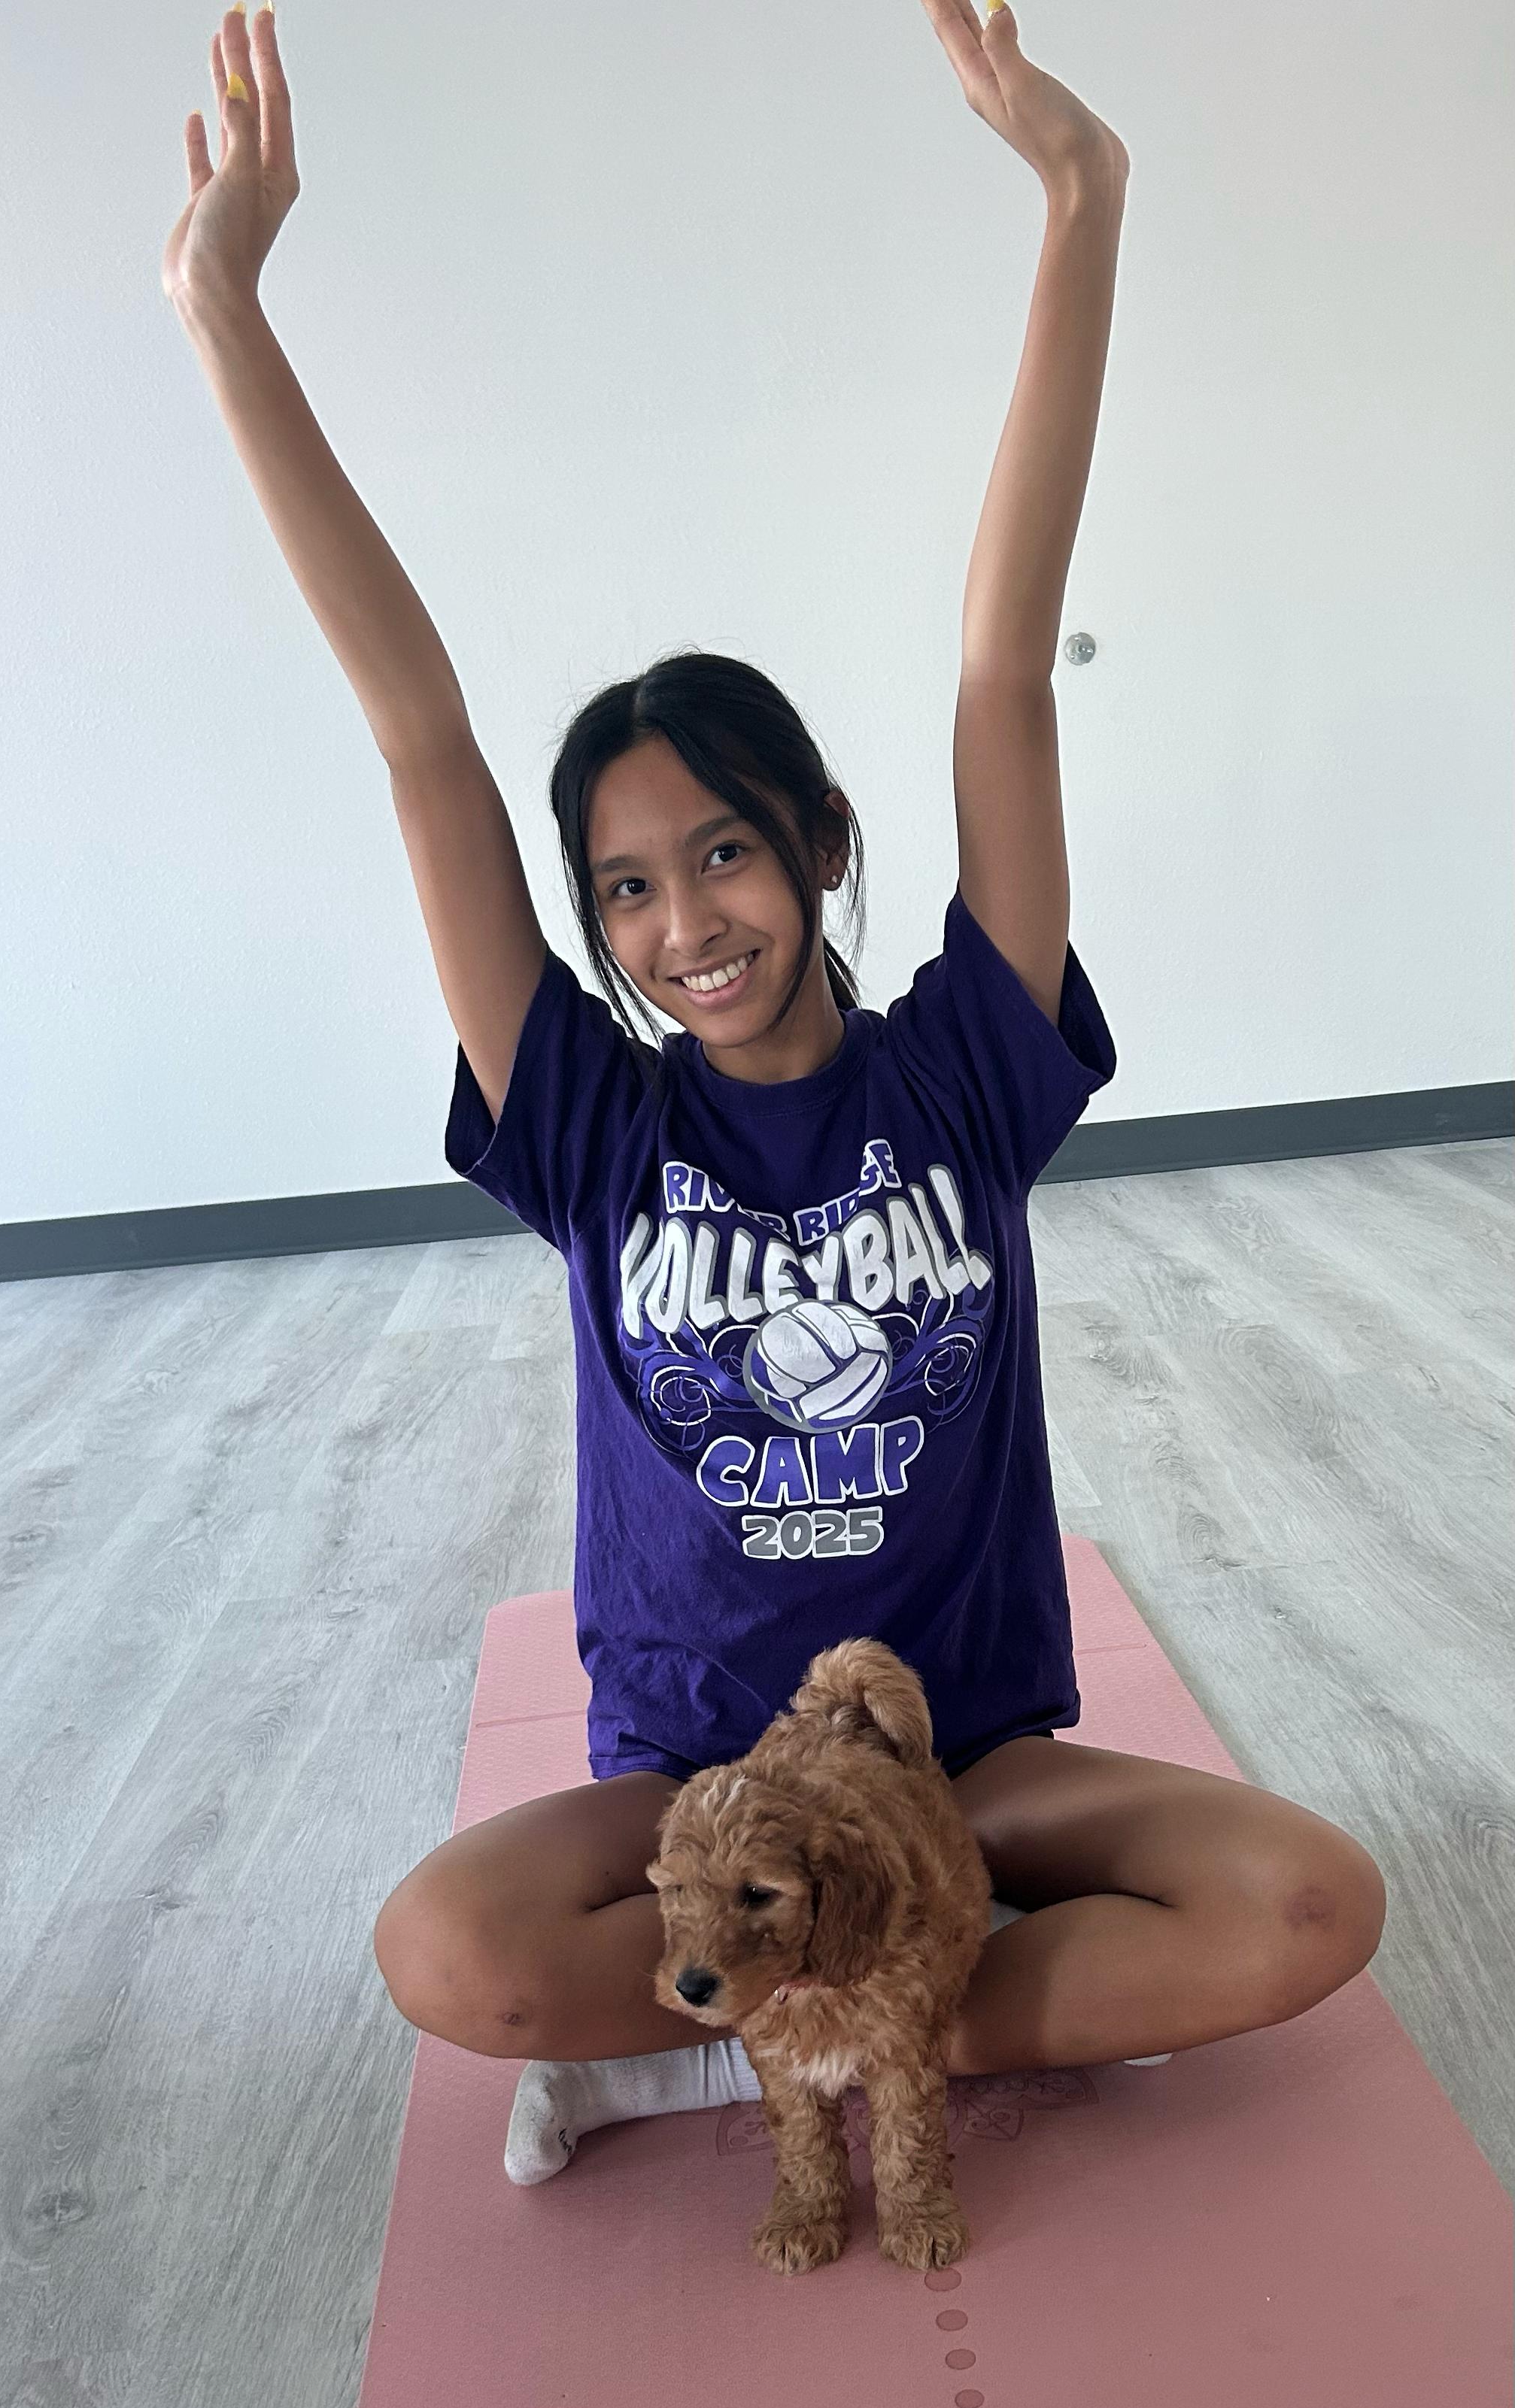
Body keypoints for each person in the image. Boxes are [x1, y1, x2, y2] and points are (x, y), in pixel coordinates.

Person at [165, 2, 1388, 2186]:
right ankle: (872, 2010)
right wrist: (223, 312)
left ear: (819, 841)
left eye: (723, 851)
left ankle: (761, 2038)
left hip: (966, 1766)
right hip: (698, 1797)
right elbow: (420, 737)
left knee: (1313, 1906)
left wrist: (1083, 199)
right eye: (627, 889)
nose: (684, 924)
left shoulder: (965, 1069)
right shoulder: (590, 1125)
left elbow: (1003, 664)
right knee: (446, 1950)